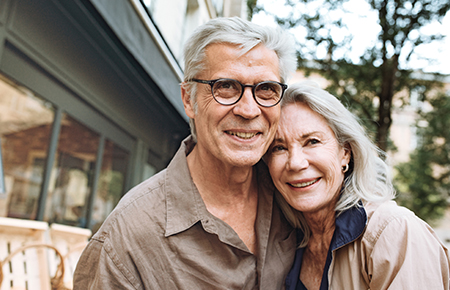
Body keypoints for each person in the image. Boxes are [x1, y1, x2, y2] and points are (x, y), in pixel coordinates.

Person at [73, 17, 298, 289]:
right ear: (189, 100)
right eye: (225, 87)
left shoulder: (295, 197)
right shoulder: (127, 236)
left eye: (266, 89)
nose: (249, 110)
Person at [265, 82, 450, 290]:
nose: (295, 163)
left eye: (312, 141)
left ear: (345, 152)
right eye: (279, 148)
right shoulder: (287, 241)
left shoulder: (394, 232)